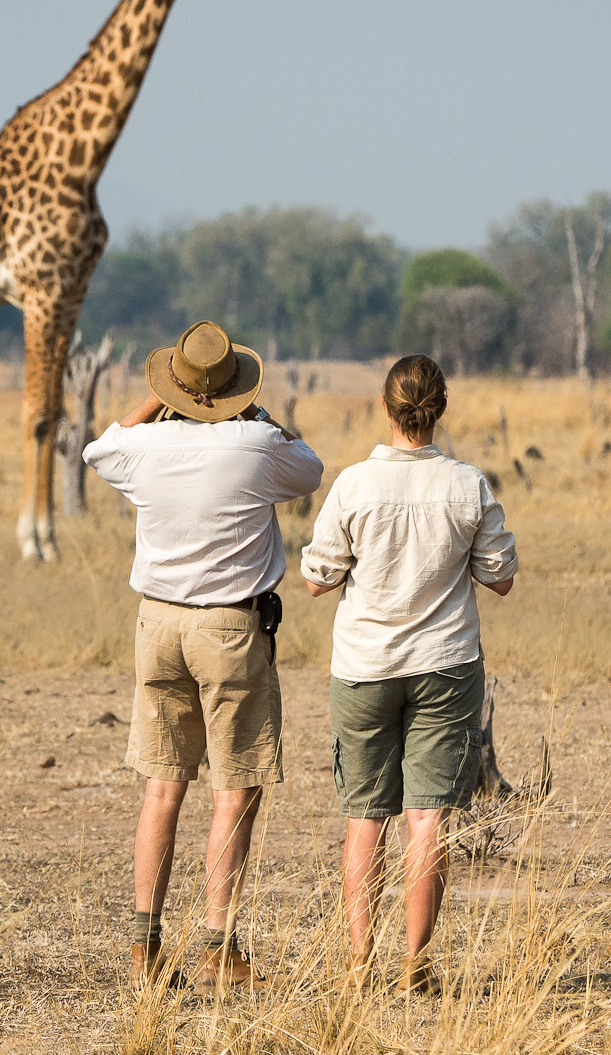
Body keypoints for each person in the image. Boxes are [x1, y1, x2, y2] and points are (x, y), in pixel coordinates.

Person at [83, 319, 324, 996]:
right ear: (235, 391)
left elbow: (101, 449)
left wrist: (151, 405)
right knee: (235, 788)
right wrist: (259, 414)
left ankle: (144, 945)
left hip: (156, 624)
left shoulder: (147, 445)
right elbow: (309, 465)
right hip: (230, 628)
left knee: (163, 788)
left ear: (175, 389)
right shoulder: (256, 442)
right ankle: (219, 946)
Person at [300, 354, 517, 995]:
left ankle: (359, 965)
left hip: (365, 666)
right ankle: (415, 966)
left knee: (366, 818)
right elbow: (500, 577)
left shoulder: (353, 484)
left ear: (387, 408)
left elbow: (316, 578)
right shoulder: (468, 484)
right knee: (430, 818)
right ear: (439, 408)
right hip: (446, 664)